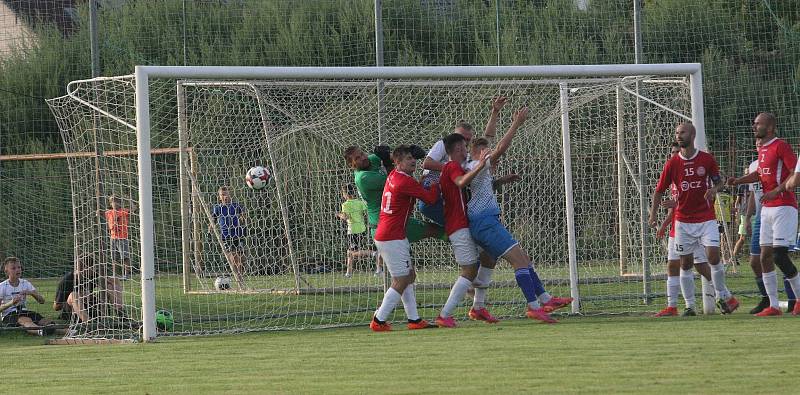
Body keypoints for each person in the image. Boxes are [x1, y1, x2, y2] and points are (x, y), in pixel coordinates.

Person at [465, 107, 572, 324]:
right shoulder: (475, 165)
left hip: (485, 222)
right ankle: (534, 307)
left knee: (511, 260)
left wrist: (494, 112)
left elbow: (488, 138)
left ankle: (543, 299)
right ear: (475, 153)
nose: (491, 156)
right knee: (519, 262)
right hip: (484, 224)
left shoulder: (475, 166)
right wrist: (516, 123)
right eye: (486, 152)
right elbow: (500, 148)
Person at [648, 122, 739, 314]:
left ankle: (722, 294)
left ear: (693, 134)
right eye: (677, 132)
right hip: (683, 222)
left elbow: (719, 182)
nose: (679, 135)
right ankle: (690, 306)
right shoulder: (672, 163)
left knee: (713, 256)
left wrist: (714, 190)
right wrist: (653, 215)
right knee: (685, 264)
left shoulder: (706, 159)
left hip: (705, 218)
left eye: (683, 132)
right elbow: (658, 191)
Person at [729, 112, 800, 316]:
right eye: (754, 123)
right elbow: (759, 174)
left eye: (758, 124)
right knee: (764, 257)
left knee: (779, 254)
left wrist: (776, 191)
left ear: (770, 128)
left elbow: (796, 175)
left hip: (783, 206)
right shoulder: (762, 149)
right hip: (766, 208)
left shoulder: (781, 146)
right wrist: (738, 180)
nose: (754, 126)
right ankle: (774, 306)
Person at [370, 145, 442, 331]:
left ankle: (414, 320)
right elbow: (430, 199)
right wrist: (436, 182)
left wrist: (423, 180)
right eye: (408, 158)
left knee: (408, 276)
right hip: (391, 236)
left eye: (413, 158)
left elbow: (413, 189)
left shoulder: (394, 176)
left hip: (391, 234)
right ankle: (379, 320)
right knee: (401, 280)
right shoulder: (403, 180)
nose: (413, 161)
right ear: (398, 163)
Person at [434, 133, 502, 328]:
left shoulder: (456, 166)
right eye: (464, 147)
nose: (467, 151)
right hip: (458, 226)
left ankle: (478, 307)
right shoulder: (452, 167)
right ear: (458, 150)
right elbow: (461, 182)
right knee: (469, 270)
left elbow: (486, 137)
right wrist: (480, 165)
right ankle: (444, 314)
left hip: (466, 223)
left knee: (489, 255)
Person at [419, 96, 508, 225]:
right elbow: (426, 163)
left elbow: (487, 139)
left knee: (463, 229)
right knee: (463, 227)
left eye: (467, 139)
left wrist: (494, 112)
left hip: (451, 197)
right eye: (461, 137)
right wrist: (456, 170)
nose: (464, 141)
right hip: (433, 193)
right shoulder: (443, 145)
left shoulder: (466, 155)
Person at [653, 143, 716, 317]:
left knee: (700, 264)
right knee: (673, 265)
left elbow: (695, 200)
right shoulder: (674, 177)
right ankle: (673, 306)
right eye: (671, 153)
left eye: (676, 152)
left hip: (695, 226)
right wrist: (664, 225)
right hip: (677, 228)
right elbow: (674, 209)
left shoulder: (696, 173)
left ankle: (722, 294)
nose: (674, 155)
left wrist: (677, 204)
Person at [0, 257, 53, 336]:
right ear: (7, 271)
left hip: (24, 311)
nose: (17, 270)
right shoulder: (2, 286)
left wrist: (31, 293)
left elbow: (42, 301)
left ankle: (70, 332)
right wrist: (11, 303)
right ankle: (41, 332)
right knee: (26, 320)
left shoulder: (25, 283)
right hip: (9, 316)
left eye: (19, 267)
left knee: (46, 321)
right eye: (13, 268)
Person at [336, 184, 376, 277]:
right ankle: (348, 273)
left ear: (345, 194)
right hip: (362, 229)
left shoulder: (345, 205)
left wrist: (339, 215)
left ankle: (373, 253)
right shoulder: (359, 202)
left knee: (354, 252)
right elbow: (366, 209)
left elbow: (346, 217)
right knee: (349, 252)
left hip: (353, 230)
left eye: (343, 193)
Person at [212, 186, 246, 288]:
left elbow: (243, 214)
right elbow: (213, 219)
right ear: (219, 197)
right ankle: (238, 279)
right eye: (223, 195)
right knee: (233, 257)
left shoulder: (235, 205)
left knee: (242, 259)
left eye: (226, 194)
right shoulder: (217, 207)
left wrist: (244, 218)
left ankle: (240, 277)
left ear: (230, 195)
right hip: (226, 236)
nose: (225, 196)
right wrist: (210, 228)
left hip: (238, 234)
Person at [102, 195, 134, 279]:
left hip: (122, 237)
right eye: (113, 202)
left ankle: (126, 275)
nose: (115, 203)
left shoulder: (123, 211)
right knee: (113, 258)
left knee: (125, 257)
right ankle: (114, 275)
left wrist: (129, 200)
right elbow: (99, 213)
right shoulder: (109, 212)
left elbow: (133, 209)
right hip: (113, 238)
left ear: (120, 203)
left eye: (116, 201)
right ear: (111, 204)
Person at [732, 166, 751, 261]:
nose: (747, 175)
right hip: (744, 213)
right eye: (746, 173)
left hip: (756, 213)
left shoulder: (756, 183)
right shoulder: (742, 186)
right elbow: (738, 201)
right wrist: (736, 214)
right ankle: (733, 257)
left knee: (758, 237)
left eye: (749, 173)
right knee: (743, 237)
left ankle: (756, 256)